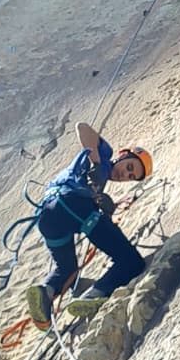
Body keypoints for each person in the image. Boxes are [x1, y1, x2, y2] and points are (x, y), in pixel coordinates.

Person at [25, 120, 152, 331]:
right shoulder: (104, 155)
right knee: (131, 261)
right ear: (123, 155)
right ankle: (95, 294)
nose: (125, 174)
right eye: (129, 167)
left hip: (48, 216)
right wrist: (96, 163)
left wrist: (100, 205)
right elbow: (82, 127)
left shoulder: (99, 182)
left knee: (67, 269)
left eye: (131, 177)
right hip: (72, 203)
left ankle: (45, 292)